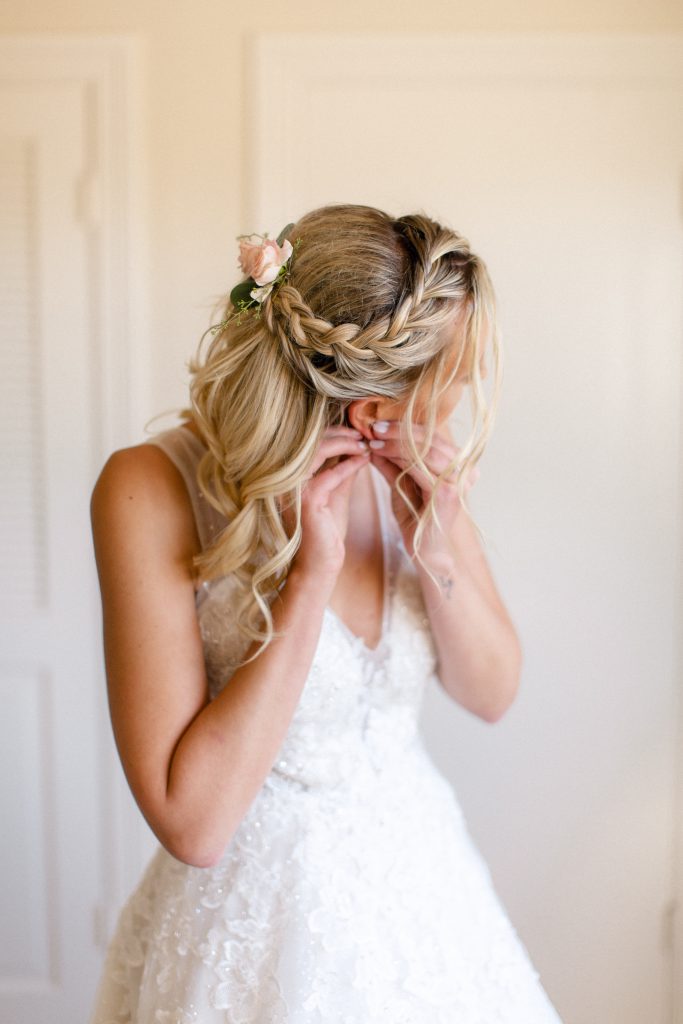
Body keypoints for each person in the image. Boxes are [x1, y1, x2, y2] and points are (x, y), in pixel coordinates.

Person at [89, 203, 563, 1022]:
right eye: (442, 391)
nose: (449, 415)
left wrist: (435, 533)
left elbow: (492, 692)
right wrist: (310, 577)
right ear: (371, 405)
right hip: (255, 930)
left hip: (426, 901)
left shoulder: (410, 474)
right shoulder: (147, 488)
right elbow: (193, 824)